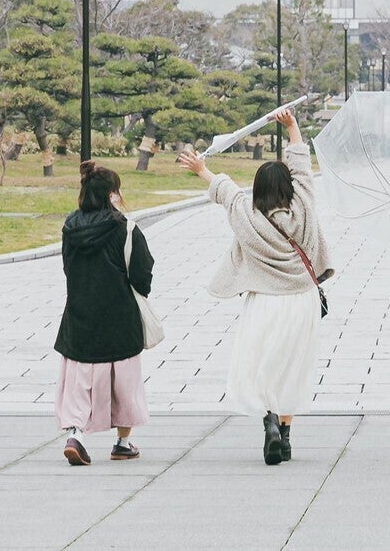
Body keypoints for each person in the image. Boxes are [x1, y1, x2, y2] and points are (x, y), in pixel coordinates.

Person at [178, 110, 334, 466]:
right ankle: (286, 437)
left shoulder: (245, 214)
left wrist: (201, 168)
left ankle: (270, 422)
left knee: (263, 365)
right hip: (301, 301)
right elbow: (301, 166)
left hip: (264, 301)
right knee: (292, 366)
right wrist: (292, 126)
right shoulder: (304, 204)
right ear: (290, 186)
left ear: (259, 188)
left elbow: (224, 189)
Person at [53, 161, 154, 466]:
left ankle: (76, 436)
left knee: (79, 382)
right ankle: (122, 443)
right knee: (125, 385)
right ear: (112, 194)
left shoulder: (70, 228)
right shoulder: (125, 228)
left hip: (79, 316)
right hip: (119, 319)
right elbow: (142, 274)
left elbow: (68, 268)